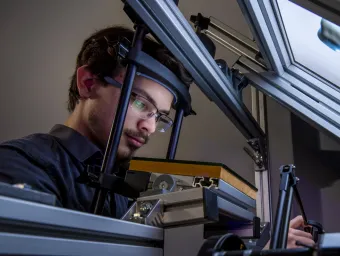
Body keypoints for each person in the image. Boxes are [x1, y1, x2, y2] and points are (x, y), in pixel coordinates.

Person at [0, 25, 314, 249]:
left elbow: (144, 232)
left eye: (159, 117)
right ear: (88, 83)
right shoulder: (23, 165)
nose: (150, 128)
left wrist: (264, 242)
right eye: (140, 103)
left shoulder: (126, 185)